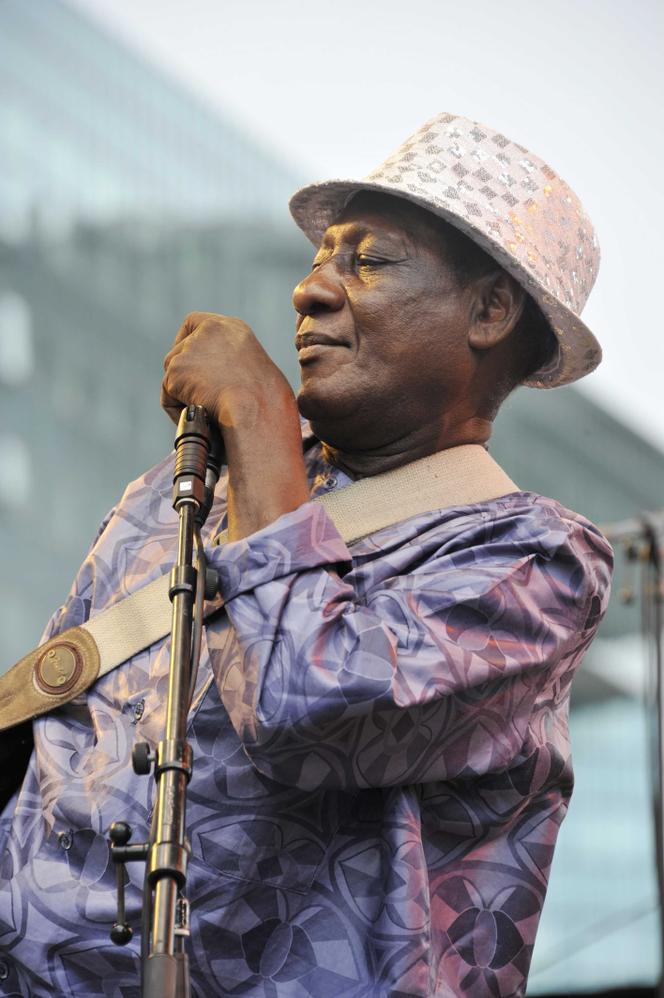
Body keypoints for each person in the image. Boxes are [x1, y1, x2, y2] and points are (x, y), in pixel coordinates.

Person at [0, 113, 612, 997]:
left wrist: (258, 415)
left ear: (489, 310)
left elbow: (301, 703)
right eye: (321, 257)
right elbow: (48, 736)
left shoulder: (537, 561)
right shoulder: (182, 488)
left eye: (368, 261)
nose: (310, 289)